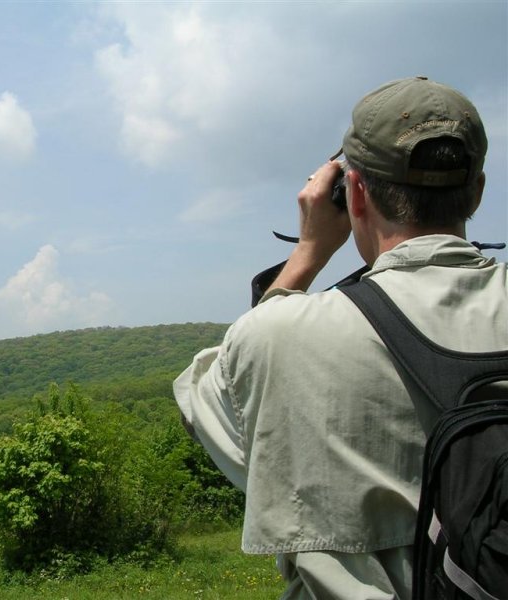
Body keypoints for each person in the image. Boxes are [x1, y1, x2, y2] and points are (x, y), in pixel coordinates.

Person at [174, 76, 507, 599]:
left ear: (352, 191)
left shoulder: (282, 334)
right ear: (479, 190)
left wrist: (308, 254)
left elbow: (208, 406)